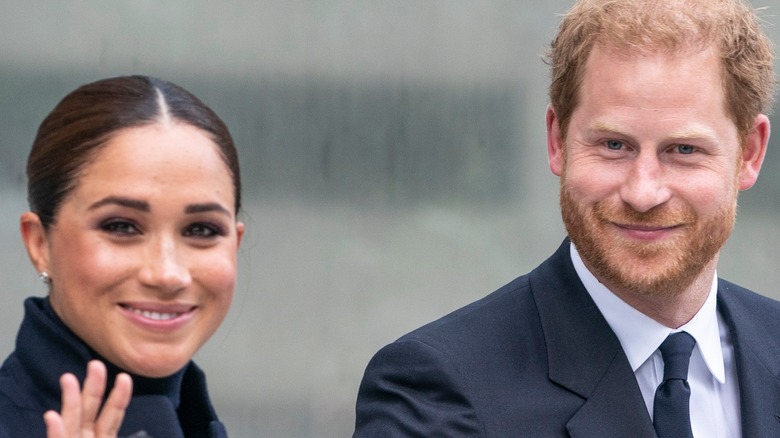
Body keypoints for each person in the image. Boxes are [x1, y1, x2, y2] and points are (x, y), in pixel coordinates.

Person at [353, 0, 780, 436]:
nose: (643, 192)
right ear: (557, 141)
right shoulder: (438, 393)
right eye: (614, 145)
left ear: (750, 154)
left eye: (684, 150)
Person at [0, 75, 245, 438]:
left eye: (201, 230)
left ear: (235, 243)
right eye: (121, 227)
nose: (167, 273)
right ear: (40, 244)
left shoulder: (192, 419)